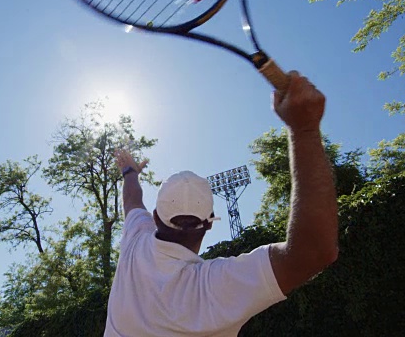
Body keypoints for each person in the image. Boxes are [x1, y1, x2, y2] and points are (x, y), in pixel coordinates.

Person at [105, 72, 339, 336]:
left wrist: (130, 172)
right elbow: (314, 251)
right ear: (208, 224)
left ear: (156, 217)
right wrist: (304, 129)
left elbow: (132, 198)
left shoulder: (136, 243)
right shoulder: (210, 290)